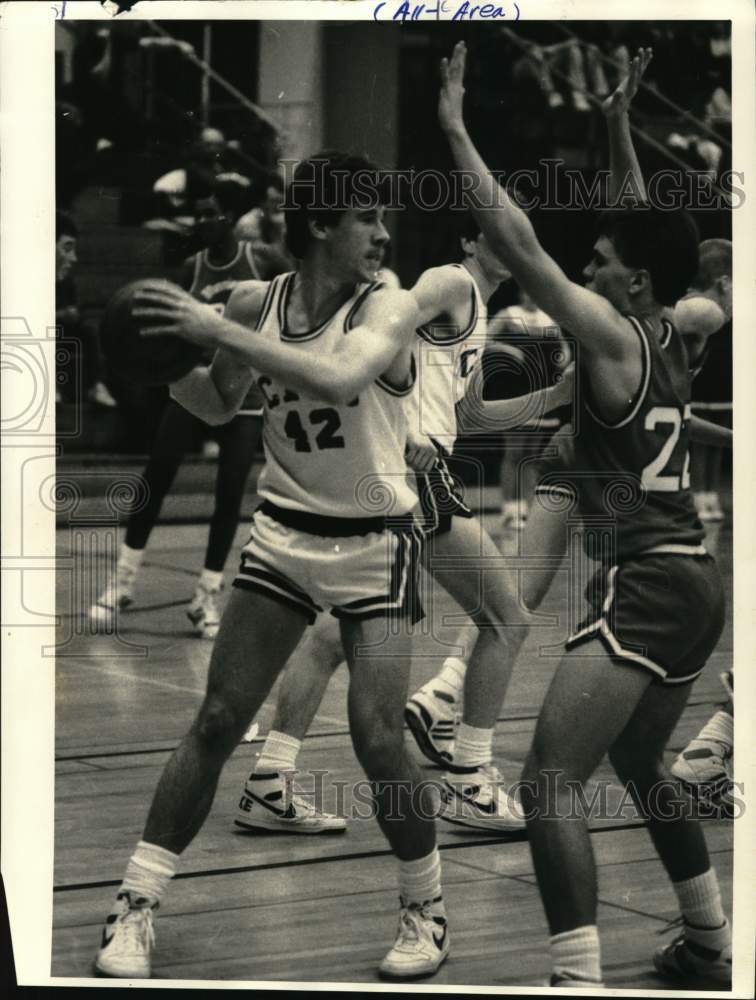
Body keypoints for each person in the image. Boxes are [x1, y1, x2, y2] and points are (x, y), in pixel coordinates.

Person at [94, 151, 452, 982]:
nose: (383, 231)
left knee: (375, 736)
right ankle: (137, 903)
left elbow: (336, 379)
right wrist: (151, 361)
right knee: (219, 720)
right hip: (284, 535)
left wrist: (213, 325)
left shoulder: (388, 307)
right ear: (322, 223)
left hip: (375, 542)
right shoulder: (261, 302)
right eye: (367, 216)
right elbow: (220, 400)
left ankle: (424, 908)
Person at [440, 41, 730, 989]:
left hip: (646, 580)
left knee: (549, 784)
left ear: (629, 283)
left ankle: (575, 978)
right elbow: (640, 228)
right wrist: (613, 122)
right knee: (645, 763)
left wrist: (453, 127)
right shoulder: (672, 325)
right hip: (695, 584)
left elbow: (520, 240)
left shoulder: (607, 331)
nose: (589, 263)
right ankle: (710, 939)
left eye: (600, 261)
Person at [232, 214, 572, 839]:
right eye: (499, 231)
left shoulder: (472, 312)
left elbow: (468, 413)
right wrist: (402, 426)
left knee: (332, 634)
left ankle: (269, 780)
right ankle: (469, 777)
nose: (520, 245)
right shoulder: (449, 282)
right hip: (411, 472)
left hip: (413, 470)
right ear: (470, 240)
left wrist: (551, 399)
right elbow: (379, 326)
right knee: (506, 617)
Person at [90, 180, 276, 638]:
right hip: (196, 385)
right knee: (157, 475)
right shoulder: (191, 268)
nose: (203, 222)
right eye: (198, 215)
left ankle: (205, 595)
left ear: (231, 217)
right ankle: (122, 582)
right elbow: (167, 329)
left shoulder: (262, 260)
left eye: (211, 213)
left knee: (230, 491)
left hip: (245, 392)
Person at [55, 210, 117, 408]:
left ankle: (96, 385)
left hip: (59, 333)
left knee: (90, 329)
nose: (73, 258)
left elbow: (71, 313)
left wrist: (70, 314)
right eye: (67, 248)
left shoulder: (66, 282)